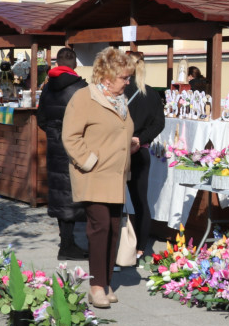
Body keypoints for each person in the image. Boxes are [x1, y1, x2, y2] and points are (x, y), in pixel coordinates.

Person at [62, 47, 138, 308]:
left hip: (116, 176)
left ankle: (105, 283)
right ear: (107, 76)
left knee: (114, 228)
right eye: (124, 77)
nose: (128, 82)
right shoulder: (85, 97)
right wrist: (89, 161)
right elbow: (70, 136)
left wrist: (130, 144)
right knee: (100, 227)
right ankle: (96, 287)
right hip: (93, 175)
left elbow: (115, 132)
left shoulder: (120, 100)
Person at [36, 47, 88, 260]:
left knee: (60, 193)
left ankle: (66, 241)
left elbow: (41, 119)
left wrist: (54, 132)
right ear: (75, 64)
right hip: (75, 146)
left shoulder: (48, 88)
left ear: (57, 63)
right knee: (73, 192)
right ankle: (68, 245)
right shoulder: (81, 87)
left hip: (54, 145)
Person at [124, 52, 165, 259]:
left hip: (119, 150)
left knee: (114, 201)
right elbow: (159, 123)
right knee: (141, 202)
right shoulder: (152, 94)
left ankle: (118, 246)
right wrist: (141, 139)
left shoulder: (119, 92)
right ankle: (141, 248)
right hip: (141, 151)